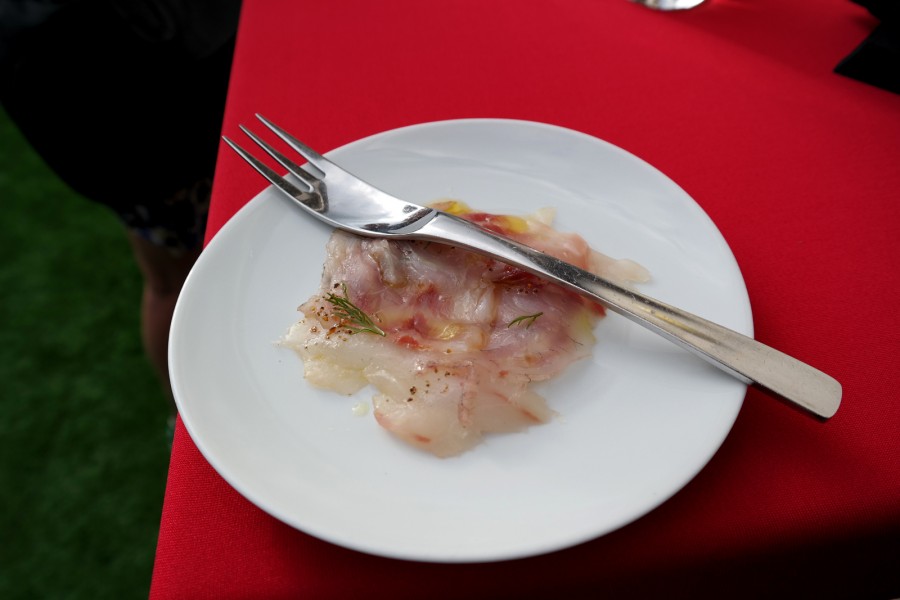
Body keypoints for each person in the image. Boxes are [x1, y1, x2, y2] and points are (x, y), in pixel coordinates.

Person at [0, 0, 241, 410]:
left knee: (196, 269)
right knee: (173, 279)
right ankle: (184, 417)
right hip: (120, 98)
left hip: (133, 75)